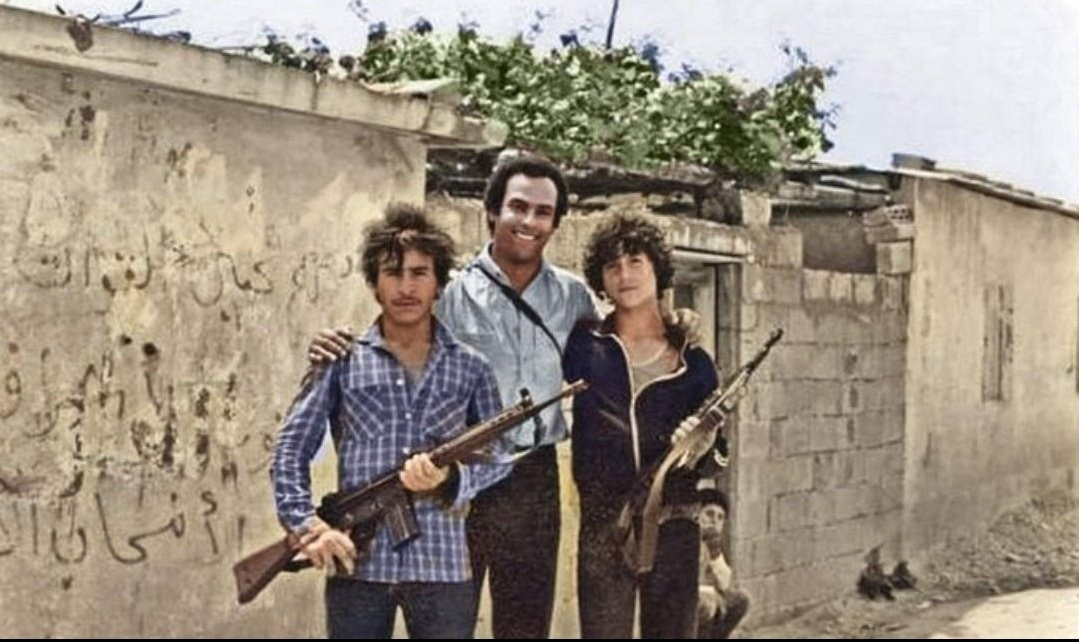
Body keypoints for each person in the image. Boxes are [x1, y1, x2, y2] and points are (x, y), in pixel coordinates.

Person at [272, 204, 511, 639]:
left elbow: (500, 455)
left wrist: (451, 479)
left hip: (444, 565)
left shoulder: (472, 368)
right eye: (392, 273)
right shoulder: (341, 361)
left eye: (420, 273)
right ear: (373, 283)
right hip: (358, 566)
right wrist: (308, 529)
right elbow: (290, 450)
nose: (406, 286)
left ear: (439, 283)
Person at [562, 214, 720, 639]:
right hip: (606, 524)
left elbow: (721, 449)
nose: (625, 274)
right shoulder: (585, 346)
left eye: (635, 261)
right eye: (612, 266)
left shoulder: (695, 362)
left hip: (675, 524)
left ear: (657, 269)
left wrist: (703, 443)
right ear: (601, 278)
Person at [695, 486, 749, 640]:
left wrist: (715, 552)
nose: (714, 521)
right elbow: (684, 585)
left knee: (740, 600)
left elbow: (725, 583)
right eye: (709, 514)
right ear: (696, 514)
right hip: (678, 601)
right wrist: (711, 595)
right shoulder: (687, 539)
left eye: (720, 518)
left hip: (702, 599)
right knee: (708, 604)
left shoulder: (711, 544)